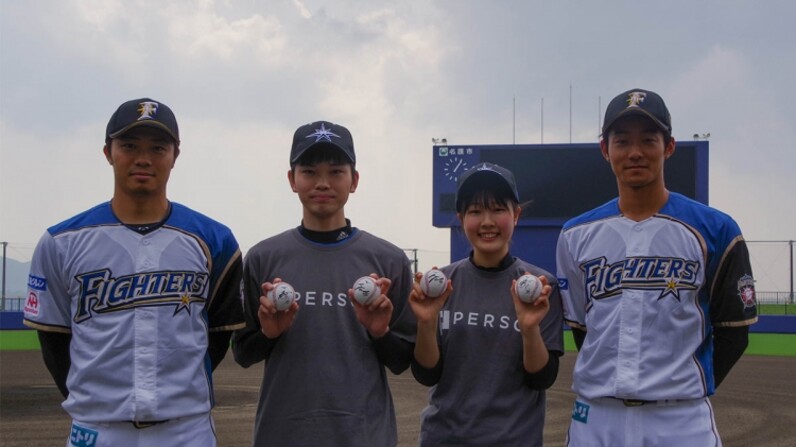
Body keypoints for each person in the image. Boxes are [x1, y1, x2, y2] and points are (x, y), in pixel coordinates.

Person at [22, 98, 244, 447]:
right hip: (97, 429)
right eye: (129, 145)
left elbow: (216, 334)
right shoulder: (61, 241)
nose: (144, 158)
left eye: (158, 147)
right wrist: (96, 400)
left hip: (186, 430)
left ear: (175, 155)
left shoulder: (214, 239)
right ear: (108, 152)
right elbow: (54, 340)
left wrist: (176, 393)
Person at [555, 88, 758, 446]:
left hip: (681, 419)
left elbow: (733, 332)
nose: (635, 152)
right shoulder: (575, 234)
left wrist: (684, 384)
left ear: (669, 147)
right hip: (597, 417)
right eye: (622, 141)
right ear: (606, 149)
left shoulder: (716, 229)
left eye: (648, 139)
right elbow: (584, 328)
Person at [231, 120, 415, 446]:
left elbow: (401, 362)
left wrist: (379, 331)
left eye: (335, 172)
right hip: (283, 434)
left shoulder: (388, 261)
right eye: (309, 172)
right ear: (292, 179)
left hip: (364, 435)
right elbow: (244, 353)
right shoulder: (263, 257)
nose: (322, 183)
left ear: (354, 180)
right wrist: (269, 333)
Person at [410, 162, 564, 446]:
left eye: (497, 209)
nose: (487, 222)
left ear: (516, 215)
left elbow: (542, 379)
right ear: (461, 218)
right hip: (444, 438)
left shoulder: (542, 285)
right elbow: (426, 374)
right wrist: (427, 321)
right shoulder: (442, 285)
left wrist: (529, 329)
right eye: (475, 211)